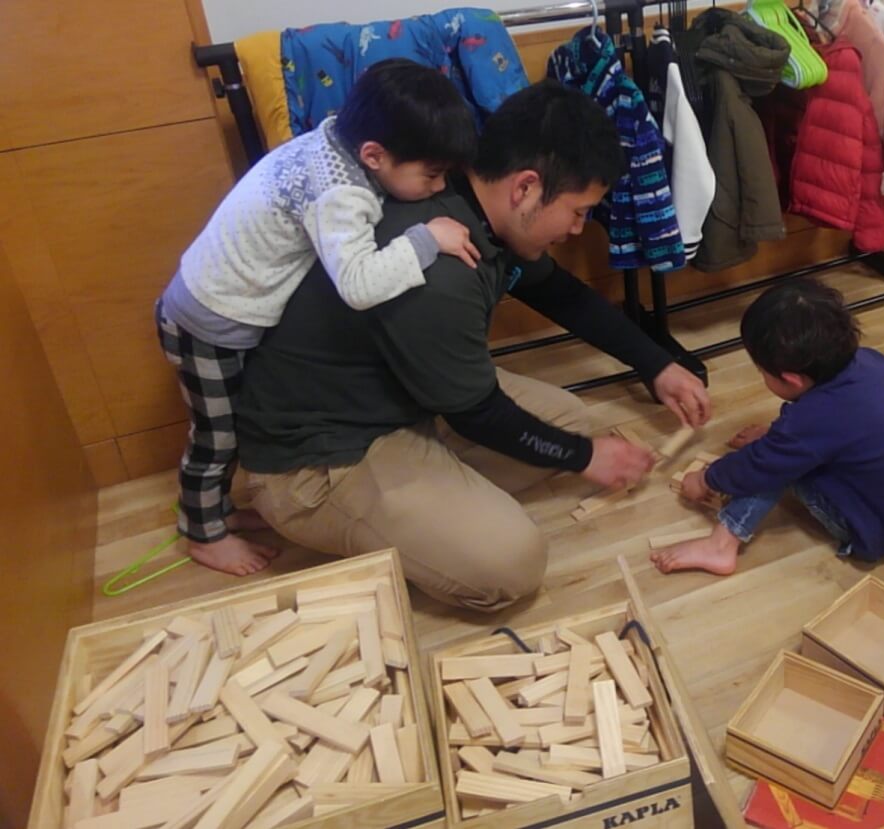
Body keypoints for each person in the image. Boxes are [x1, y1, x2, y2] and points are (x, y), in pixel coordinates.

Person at [234, 80, 711, 612]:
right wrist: (586, 459)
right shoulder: (441, 271)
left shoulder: (469, 199)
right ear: (525, 188)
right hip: (319, 456)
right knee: (511, 563)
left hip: (400, 394)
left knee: (571, 423)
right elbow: (477, 414)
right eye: (579, 211)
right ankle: (319, 513)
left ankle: (432, 495)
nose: (579, 229)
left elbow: (558, 292)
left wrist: (657, 364)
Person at [155, 59, 482, 576]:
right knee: (216, 434)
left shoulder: (334, 137)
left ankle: (218, 511)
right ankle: (202, 531)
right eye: (432, 174)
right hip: (207, 320)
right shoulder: (341, 195)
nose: (437, 186)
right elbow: (357, 286)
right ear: (374, 155)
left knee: (230, 424)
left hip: (223, 306)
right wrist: (424, 239)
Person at [652, 279, 884, 576]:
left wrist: (707, 480)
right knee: (798, 444)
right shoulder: (871, 361)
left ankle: (721, 545)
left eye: (762, 371)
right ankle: (788, 447)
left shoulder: (813, 420)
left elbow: (760, 464)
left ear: (792, 379)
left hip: (864, 528)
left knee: (775, 465)